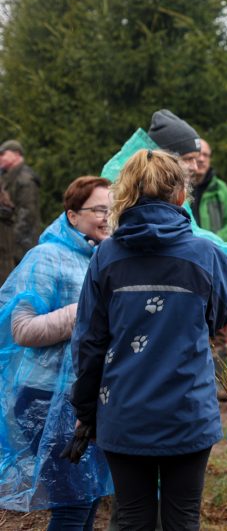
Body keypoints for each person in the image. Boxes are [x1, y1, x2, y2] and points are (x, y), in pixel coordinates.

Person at [70, 149, 227, 530]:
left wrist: (85, 408)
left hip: (123, 411)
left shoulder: (106, 257)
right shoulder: (205, 254)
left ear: (125, 193)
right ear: (181, 195)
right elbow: (225, 310)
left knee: (131, 515)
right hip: (188, 411)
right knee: (182, 518)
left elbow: (89, 341)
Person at [100, 109, 227, 303]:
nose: (195, 166)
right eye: (188, 159)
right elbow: (197, 243)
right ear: (166, 159)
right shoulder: (144, 194)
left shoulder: (137, 186)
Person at [0, 176, 113, 528]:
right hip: (44, 396)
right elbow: (22, 329)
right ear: (72, 214)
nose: (108, 218)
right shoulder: (46, 257)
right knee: (73, 501)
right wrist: (85, 312)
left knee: (89, 496)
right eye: (99, 210)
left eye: (113, 209)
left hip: (86, 397)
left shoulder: (105, 258)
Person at [0, 140, 41, 283]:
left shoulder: (25, 180)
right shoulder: (7, 176)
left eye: (3, 154)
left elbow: (27, 215)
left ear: (16, 154)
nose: (0, 157)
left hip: (20, 245)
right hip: (8, 244)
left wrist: (14, 244)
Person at [191, 139, 227, 243]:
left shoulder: (220, 188)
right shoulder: (180, 187)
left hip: (216, 252)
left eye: (205, 155)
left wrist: (215, 241)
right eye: (198, 154)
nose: (201, 159)